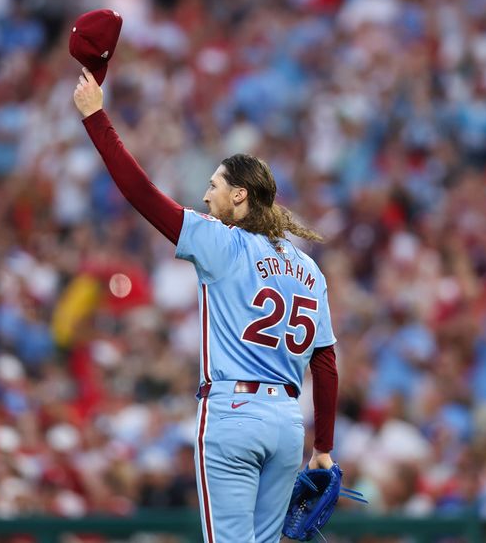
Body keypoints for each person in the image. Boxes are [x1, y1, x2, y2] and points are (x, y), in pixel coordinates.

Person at [73, 67, 339, 542]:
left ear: (240, 195)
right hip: (286, 424)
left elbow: (141, 193)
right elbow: (326, 362)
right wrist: (323, 448)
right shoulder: (309, 269)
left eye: (214, 184)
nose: (204, 193)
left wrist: (96, 119)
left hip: (233, 412)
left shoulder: (223, 242)